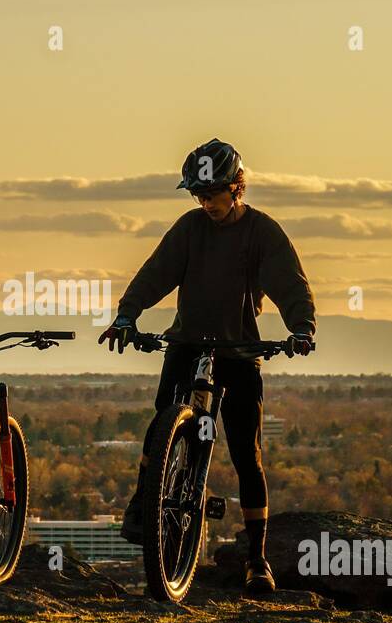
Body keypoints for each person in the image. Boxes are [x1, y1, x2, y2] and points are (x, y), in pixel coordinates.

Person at [98, 138, 316, 597]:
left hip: (238, 351)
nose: (205, 203)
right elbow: (156, 271)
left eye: (212, 194)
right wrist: (126, 313)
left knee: (246, 456)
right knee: (164, 420)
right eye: (197, 195)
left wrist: (301, 327)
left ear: (237, 188)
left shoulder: (261, 232)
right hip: (187, 342)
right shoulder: (190, 229)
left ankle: (257, 561)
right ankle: (146, 500)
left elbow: (288, 282)